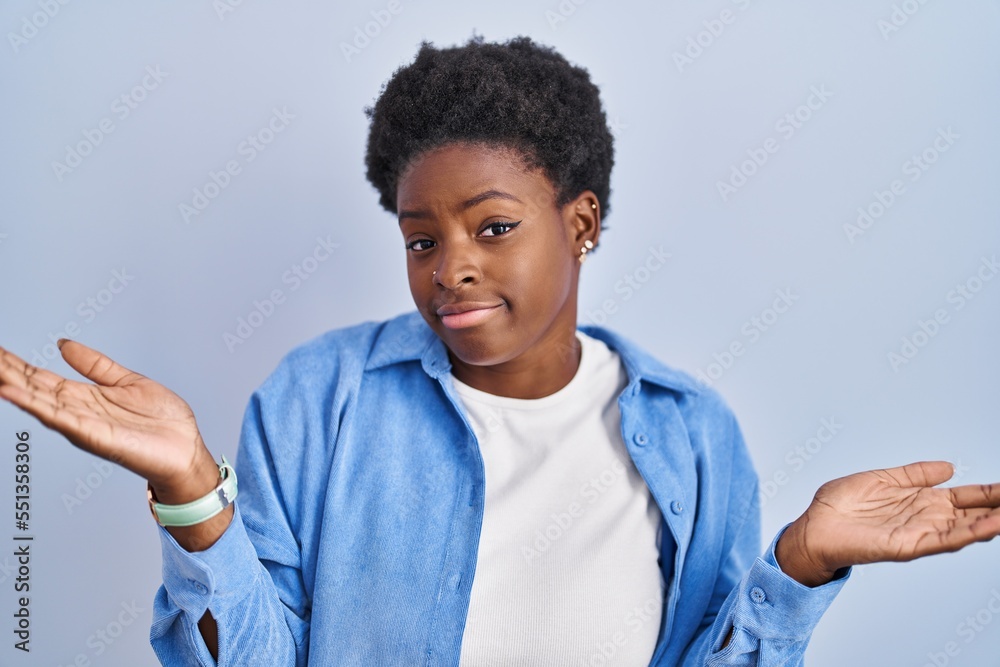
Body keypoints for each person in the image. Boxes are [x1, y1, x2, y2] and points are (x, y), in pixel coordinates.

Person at [1, 34, 998, 667]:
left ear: (581, 221)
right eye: (421, 239)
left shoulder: (692, 431)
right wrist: (191, 493)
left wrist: (800, 563)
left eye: (490, 227)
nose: (451, 268)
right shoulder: (320, 397)